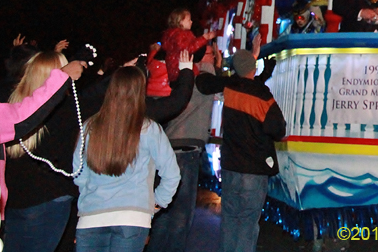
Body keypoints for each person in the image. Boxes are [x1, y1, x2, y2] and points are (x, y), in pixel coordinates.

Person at [1, 51, 110, 252]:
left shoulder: (13, 106)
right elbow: (95, 98)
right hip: (49, 200)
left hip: (13, 202)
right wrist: (119, 73)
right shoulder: (65, 109)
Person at [73, 67, 180, 252]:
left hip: (92, 215)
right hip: (132, 217)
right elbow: (172, 174)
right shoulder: (148, 129)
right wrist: (156, 203)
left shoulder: (90, 126)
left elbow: (78, 173)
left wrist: (91, 195)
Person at [196, 50, 286, 252]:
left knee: (230, 221)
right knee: (247, 223)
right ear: (253, 68)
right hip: (253, 169)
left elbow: (215, 83)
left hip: (230, 166)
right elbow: (278, 128)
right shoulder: (262, 95)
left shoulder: (230, 88)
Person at [147, 43, 220, 252]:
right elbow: (222, 82)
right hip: (185, 151)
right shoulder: (203, 78)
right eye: (210, 54)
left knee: (164, 210)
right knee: (181, 215)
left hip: (170, 146)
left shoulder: (183, 79)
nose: (213, 58)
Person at [161, 8, 216, 83]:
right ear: (180, 22)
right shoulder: (178, 35)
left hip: (180, 68)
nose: (191, 22)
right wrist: (204, 38)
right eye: (189, 20)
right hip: (179, 69)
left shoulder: (182, 34)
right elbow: (188, 48)